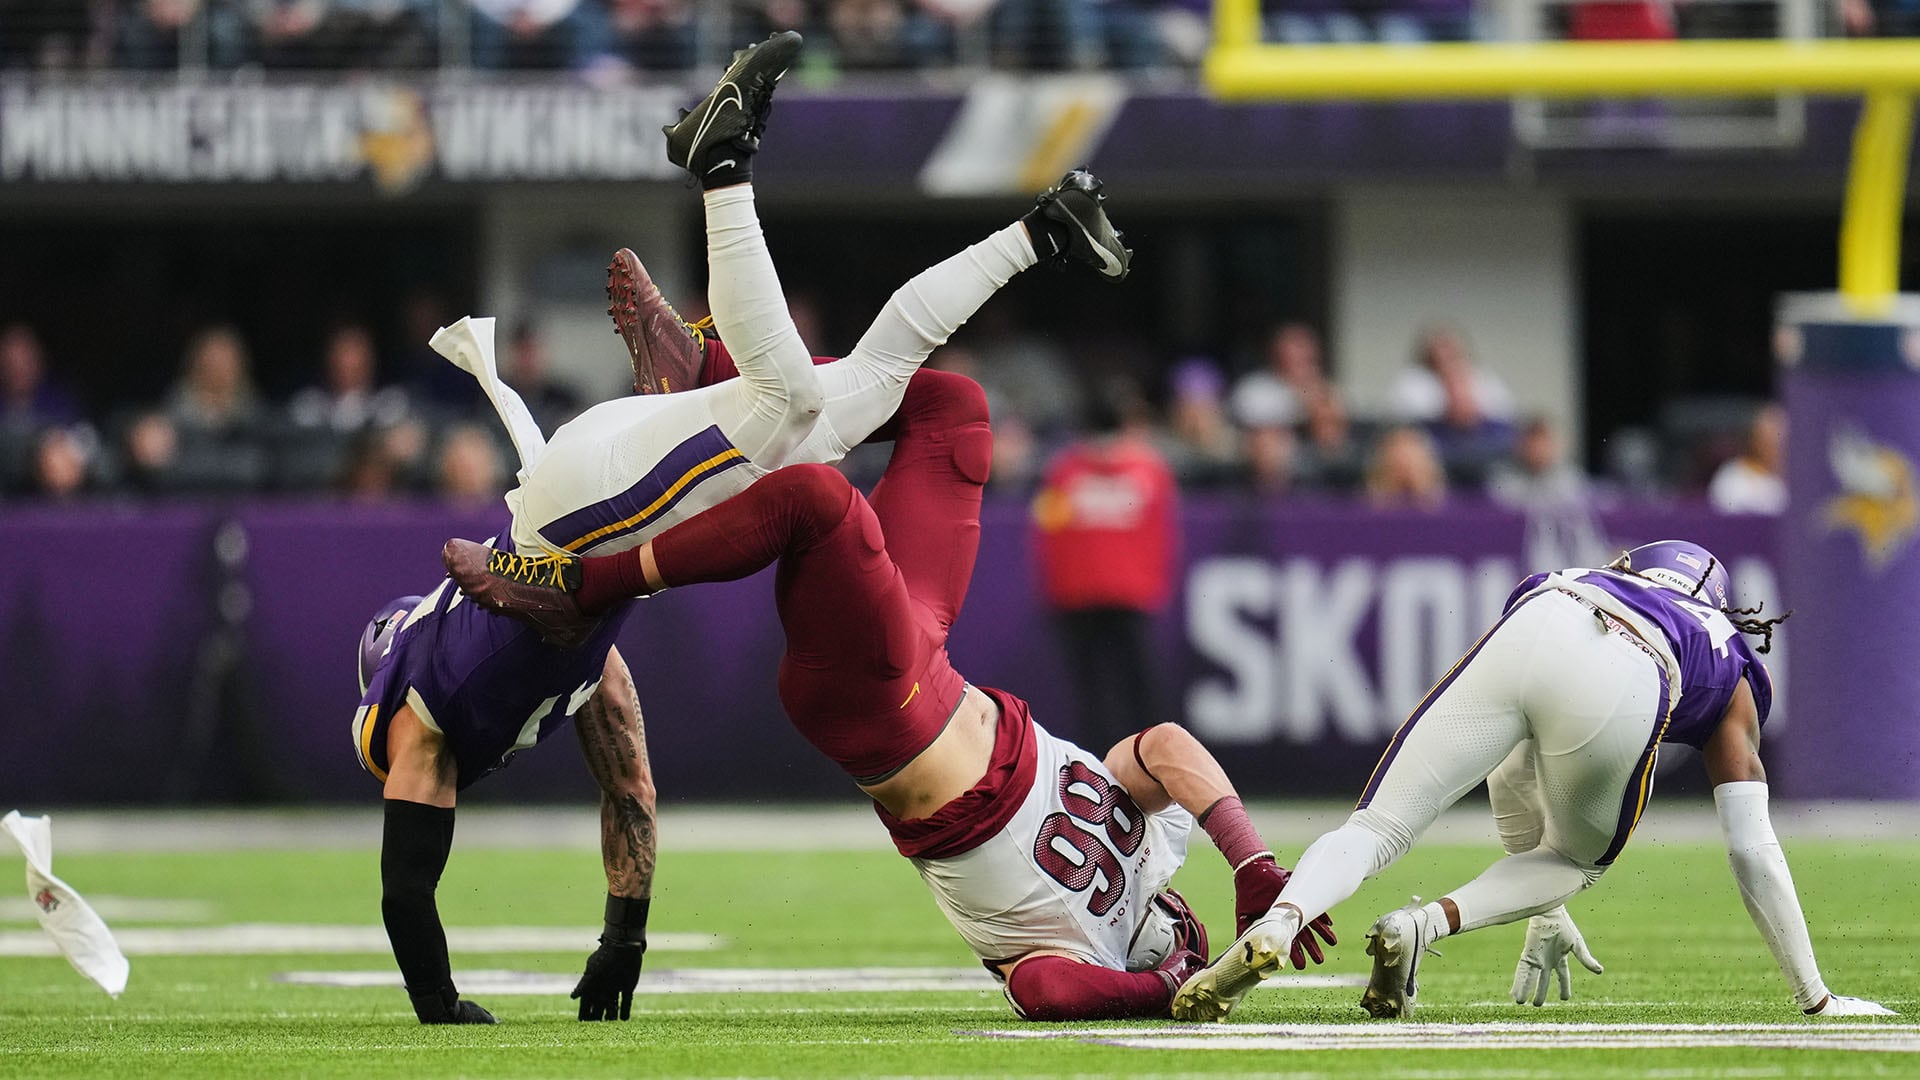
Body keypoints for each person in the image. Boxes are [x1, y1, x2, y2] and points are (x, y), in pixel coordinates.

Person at [353, 29, 1133, 1024]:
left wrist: (439, 1007)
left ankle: (721, 169)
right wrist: (623, 934)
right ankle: (1038, 233)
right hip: (602, 491)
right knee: (863, 393)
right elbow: (629, 781)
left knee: (786, 412)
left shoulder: (414, 716)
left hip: (575, 515)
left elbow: (405, 885)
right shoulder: (572, 680)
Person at [1171, 541, 1894, 1022]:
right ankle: (1421, 926)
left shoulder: (1594, 571)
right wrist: (1815, 998)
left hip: (1545, 610)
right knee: (1577, 860)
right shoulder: (1729, 659)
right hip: (1630, 665)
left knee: (1374, 827)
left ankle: (1282, 920)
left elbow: (1512, 765)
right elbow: (1751, 848)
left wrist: (1540, 915)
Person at [1030, 380, 1179, 749]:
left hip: (1079, 597)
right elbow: (1163, 535)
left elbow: (1047, 533)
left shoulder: (1064, 471)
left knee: (1096, 692)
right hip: (1126, 595)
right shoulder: (1149, 469)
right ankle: (1156, 766)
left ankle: (1101, 769)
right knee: (1137, 687)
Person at [1707, 403, 1787, 515]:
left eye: (1781, 435)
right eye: (1767, 435)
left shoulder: (1804, 477)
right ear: (1755, 439)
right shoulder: (1733, 476)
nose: (1776, 442)